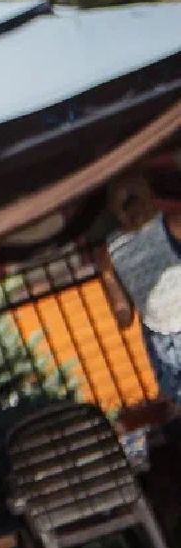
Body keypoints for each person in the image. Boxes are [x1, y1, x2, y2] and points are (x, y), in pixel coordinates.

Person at [97, 171, 181, 403]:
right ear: (114, 211)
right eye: (125, 204)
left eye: (134, 199)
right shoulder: (110, 252)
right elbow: (119, 303)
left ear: (150, 197)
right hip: (159, 335)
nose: (134, 212)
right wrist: (122, 314)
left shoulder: (171, 223)